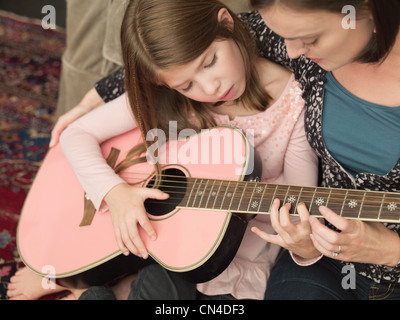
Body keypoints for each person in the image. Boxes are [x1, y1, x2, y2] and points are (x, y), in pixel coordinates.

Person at [57, 0, 319, 300]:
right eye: (187, 84)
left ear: (226, 23)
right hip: (163, 245)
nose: (209, 88)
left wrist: (301, 240)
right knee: (162, 283)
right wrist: (115, 193)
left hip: (232, 256)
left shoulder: (293, 102)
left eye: (209, 62)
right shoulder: (171, 99)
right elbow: (76, 134)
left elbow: (301, 207)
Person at [243, 0, 400, 299]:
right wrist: (123, 187)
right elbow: (186, 45)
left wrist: (391, 250)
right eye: (285, 36)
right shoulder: (296, 33)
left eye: (310, 39)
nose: (290, 51)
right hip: (320, 258)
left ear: (368, 9)